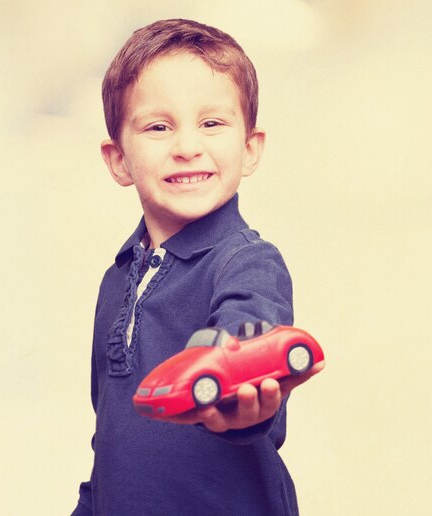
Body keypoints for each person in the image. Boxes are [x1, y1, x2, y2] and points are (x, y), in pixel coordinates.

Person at [71, 18, 323, 516]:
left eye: (211, 123)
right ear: (119, 159)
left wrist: (237, 398)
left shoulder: (246, 261)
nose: (187, 146)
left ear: (250, 148)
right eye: (158, 127)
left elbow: (247, 335)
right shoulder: (117, 279)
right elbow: (110, 442)